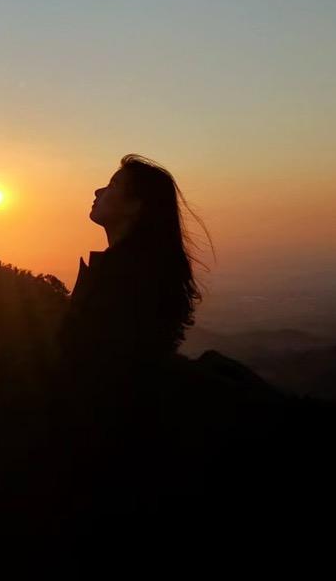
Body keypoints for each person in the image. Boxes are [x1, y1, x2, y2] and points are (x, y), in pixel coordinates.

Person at [50, 154, 212, 562]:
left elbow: (104, 371)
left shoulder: (128, 283)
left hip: (105, 461)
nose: (99, 190)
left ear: (137, 207)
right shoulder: (132, 272)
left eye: (114, 185)